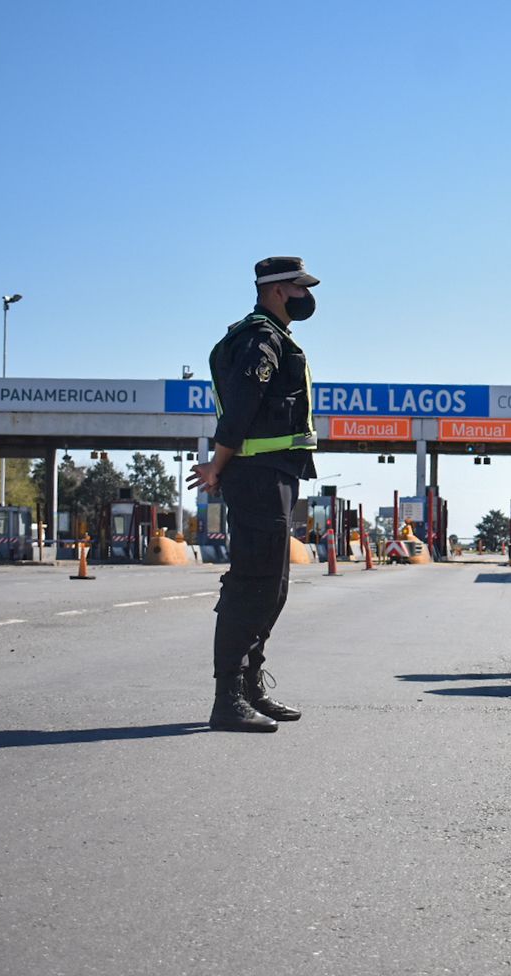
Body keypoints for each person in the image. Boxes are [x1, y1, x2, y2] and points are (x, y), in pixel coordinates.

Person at [187, 256, 320, 733]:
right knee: (254, 584)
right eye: (300, 288)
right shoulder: (261, 339)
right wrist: (218, 466)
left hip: (271, 473)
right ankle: (227, 698)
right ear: (278, 290)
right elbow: (241, 408)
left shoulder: (272, 337)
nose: (308, 296)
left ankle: (249, 688)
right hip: (259, 475)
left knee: (272, 586)